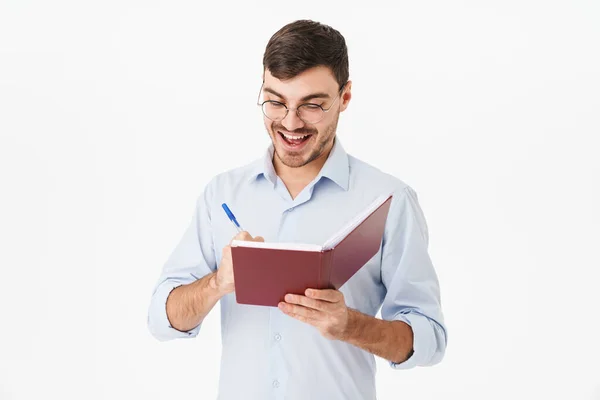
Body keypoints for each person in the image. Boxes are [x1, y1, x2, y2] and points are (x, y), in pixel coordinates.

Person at [147, 19, 447, 400]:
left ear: (345, 97)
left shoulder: (388, 200)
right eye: (275, 102)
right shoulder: (222, 195)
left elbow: (430, 337)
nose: (290, 123)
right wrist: (218, 283)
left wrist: (349, 325)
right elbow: (162, 317)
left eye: (312, 105)